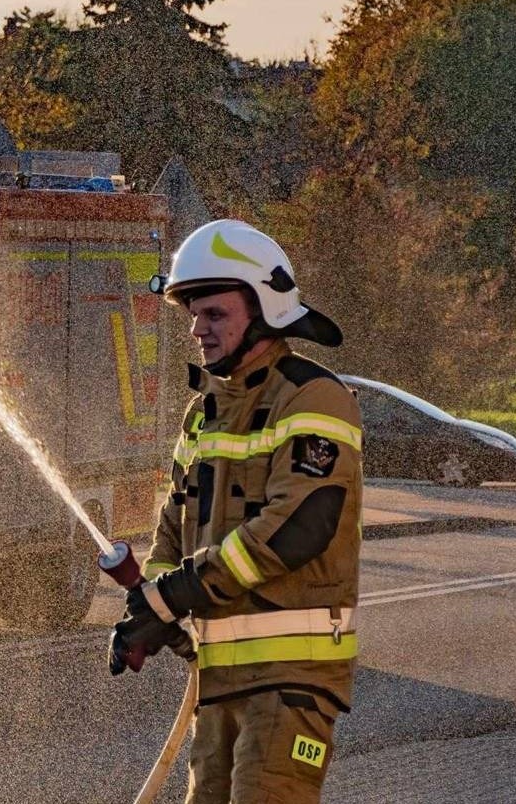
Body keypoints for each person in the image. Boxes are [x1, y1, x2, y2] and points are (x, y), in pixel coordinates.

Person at [108, 219, 364, 804]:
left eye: (215, 314)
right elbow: (173, 525)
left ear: (265, 310)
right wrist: (152, 607)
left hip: (292, 678)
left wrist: (176, 593)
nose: (198, 328)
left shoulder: (314, 397)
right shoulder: (204, 413)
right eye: (194, 314)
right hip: (219, 678)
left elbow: (298, 528)